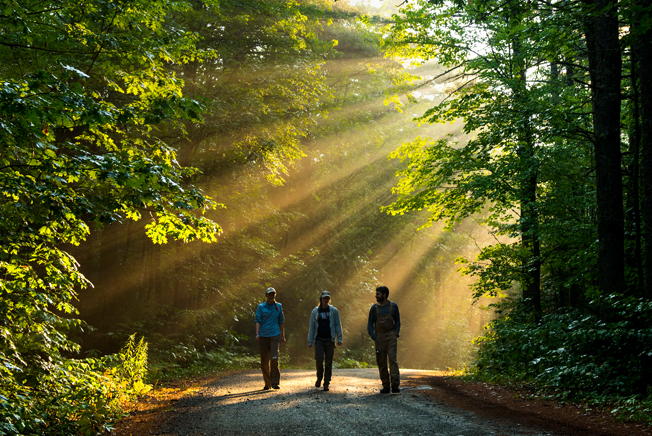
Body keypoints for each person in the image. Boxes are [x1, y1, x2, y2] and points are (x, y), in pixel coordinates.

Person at [307, 291, 343, 391]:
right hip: (319, 339)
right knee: (319, 360)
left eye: (327, 298)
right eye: (324, 298)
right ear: (321, 299)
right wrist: (310, 341)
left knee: (328, 362)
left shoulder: (333, 311)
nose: (325, 300)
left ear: (329, 299)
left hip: (330, 340)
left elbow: (337, 325)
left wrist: (339, 338)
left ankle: (326, 382)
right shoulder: (315, 311)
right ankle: (319, 377)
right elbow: (312, 327)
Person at [367, 285, 401, 394]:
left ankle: (395, 385)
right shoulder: (374, 308)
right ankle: (386, 386)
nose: (376, 296)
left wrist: (396, 333)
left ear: (384, 295)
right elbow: (369, 324)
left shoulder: (393, 306)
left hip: (391, 336)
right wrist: (373, 336)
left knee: (392, 359)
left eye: (378, 294)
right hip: (379, 338)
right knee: (381, 362)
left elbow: (398, 321)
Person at [255, 287, 286, 390]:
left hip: (275, 334)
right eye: (269, 295)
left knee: (274, 358)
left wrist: (283, 336)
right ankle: (267, 383)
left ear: (274, 296)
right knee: (264, 360)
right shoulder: (261, 307)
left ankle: (275, 382)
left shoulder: (278, 306)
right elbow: (258, 320)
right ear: (266, 296)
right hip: (263, 335)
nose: (271, 296)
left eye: (273, 295)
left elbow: (281, 321)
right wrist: (257, 333)